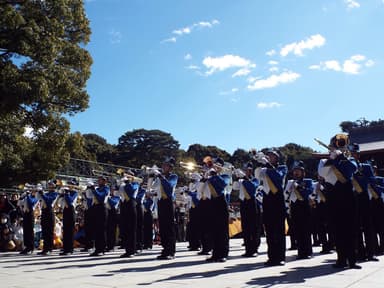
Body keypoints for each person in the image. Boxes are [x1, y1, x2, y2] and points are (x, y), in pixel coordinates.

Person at [318, 134, 361, 269]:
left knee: (351, 228)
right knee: (337, 228)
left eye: (341, 144)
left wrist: (341, 157)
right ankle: (341, 259)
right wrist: (332, 159)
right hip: (332, 195)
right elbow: (323, 174)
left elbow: (350, 171)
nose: (339, 147)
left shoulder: (350, 160)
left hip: (347, 194)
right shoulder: (323, 162)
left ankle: (353, 260)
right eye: (336, 144)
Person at [255, 150, 288, 266]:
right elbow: (257, 176)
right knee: (269, 230)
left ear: (277, 158)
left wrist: (268, 165)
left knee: (279, 230)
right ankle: (271, 256)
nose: (268, 157)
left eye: (271, 156)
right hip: (267, 199)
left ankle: (280, 257)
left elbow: (278, 178)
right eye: (267, 156)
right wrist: (260, 163)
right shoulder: (264, 169)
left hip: (277, 199)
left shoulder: (283, 168)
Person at [350, 144, 379, 262]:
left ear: (358, 154)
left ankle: (371, 253)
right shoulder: (346, 166)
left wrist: (361, 177)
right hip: (352, 197)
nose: (353, 155)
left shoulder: (365, 166)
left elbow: (372, 180)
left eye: (355, 153)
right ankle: (360, 252)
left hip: (363, 196)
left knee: (368, 226)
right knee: (355, 226)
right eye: (351, 154)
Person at [201, 157, 231, 263]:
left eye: (216, 164)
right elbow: (201, 190)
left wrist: (214, 174)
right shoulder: (210, 176)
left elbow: (222, 184)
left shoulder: (225, 176)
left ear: (220, 167)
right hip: (211, 202)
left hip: (221, 202)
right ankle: (215, 253)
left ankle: (223, 254)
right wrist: (205, 175)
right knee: (213, 229)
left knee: (222, 230)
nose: (213, 166)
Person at [285, 161, 313, 260]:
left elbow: (308, 192)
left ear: (302, 172)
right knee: (297, 230)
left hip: (304, 206)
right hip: (295, 206)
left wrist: (299, 186)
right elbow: (286, 194)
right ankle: (300, 251)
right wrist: (289, 188)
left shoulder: (308, 181)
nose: (296, 173)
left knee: (306, 230)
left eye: (298, 171)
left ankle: (308, 251)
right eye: (295, 171)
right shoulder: (290, 182)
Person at [233, 162, 262, 257]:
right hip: (244, 203)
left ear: (251, 171)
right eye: (245, 170)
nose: (246, 172)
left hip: (253, 203)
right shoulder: (241, 181)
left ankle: (254, 248)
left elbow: (252, 188)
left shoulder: (255, 180)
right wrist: (237, 177)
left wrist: (245, 178)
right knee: (245, 227)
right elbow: (234, 187)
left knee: (254, 227)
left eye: (248, 170)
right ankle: (248, 248)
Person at [153, 157, 178, 260]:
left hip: (168, 202)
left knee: (169, 227)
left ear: (170, 167)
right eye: (163, 165)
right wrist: (151, 177)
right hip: (160, 202)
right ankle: (165, 249)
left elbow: (169, 187)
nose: (163, 167)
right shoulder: (160, 177)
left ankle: (171, 251)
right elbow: (153, 187)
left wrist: (160, 176)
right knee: (162, 227)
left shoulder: (173, 176)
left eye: (165, 165)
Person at [118, 174, 140, 258]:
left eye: (129, 176)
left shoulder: (135, 184)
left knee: (131, 229)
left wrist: (128, 182)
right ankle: (127, 250)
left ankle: (132, 250)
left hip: (131, 205)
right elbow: (119, 194)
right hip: (124, 205)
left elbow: (130, 191)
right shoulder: (124, 184)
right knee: (125, 229)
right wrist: (119, 184)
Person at [89, 176, 110, 256]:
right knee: (96, 230)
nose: (98, 181)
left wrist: (94, 190)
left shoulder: (106, 189)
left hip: (102, 208)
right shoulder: (98, 189)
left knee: (101, 230)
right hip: (95, 208)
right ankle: (97, 248)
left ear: (105, 181)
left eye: (100, 180)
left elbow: (101, 197)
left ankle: (102, 249)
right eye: (98, 180)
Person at [36, 181, 58, 255]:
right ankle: (45, 248)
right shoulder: (46, 193)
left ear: (54, 186)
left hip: (49, 211)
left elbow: (49, 201)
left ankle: (49, 249)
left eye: (51, 185)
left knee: (49, 232)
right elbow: (38, 198)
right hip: (44, 212)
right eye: (49, 185)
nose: (49, 186)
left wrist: (42, 194)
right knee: (44, 231)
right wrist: (38, 191)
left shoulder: (55, 194)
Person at [59, 180, 78, 255]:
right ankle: (65, 248)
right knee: (65, 231)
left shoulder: (75, 193)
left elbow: (70, 201)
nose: (69, 186)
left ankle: (70, 249)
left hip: (71, 210)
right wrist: (61, 195)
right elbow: (60, 203)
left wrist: (67, 193)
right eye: (68, 184)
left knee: (70, 231)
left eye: (71, 185)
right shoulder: (65, 193)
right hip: (65, 210)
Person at [18, 187, 38, 255]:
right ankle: (26, 247)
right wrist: (21, 197)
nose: (32, 192)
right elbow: (19, 204)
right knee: (25, 231)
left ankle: (31, 247)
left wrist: (27, 195)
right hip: (25, 214)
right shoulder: (27, 197)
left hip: (31, 214)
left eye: (34, 191)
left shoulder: (36, 198)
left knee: (30, 231)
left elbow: (31, 203)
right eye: (32, 190)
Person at [105, 187, 120, 252]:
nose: (112, 191)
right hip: (108, 212)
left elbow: (113, 203)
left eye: (113, 190)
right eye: (111, 190)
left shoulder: (117, 197)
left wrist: (108, 197)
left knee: (112, 230)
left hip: (113, 213)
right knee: (108, 230)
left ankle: (111, 246)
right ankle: (108, 245)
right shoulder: (110, 197)